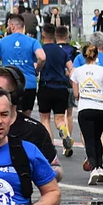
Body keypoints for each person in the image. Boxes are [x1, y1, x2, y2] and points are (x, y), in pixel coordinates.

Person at [71, 44, 103, 184]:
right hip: (102, 108)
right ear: (97, 55)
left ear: (83, 56)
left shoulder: (77, 71)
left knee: (89, 139)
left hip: (85, 108)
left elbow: (76, 94)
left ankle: (94, 169)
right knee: (97, 138)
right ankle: (101, 167)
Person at [0, 14, 44, 115]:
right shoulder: (33, 41)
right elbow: (42, 57)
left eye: (8, 25)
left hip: (9, 84)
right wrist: (36, 71)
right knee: (26, 117)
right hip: (29, 84)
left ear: (12, 26)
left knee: (11, 116)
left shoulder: (2, 42)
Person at [36, 24, 74, 156]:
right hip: (61, 88)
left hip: (46, 87)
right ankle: (63, 130)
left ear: (44, 35)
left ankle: (50, 147)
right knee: (59, 119)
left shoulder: (40, 50)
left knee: (45, 119)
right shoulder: (62, 51)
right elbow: (71, 69)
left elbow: (37, 65)